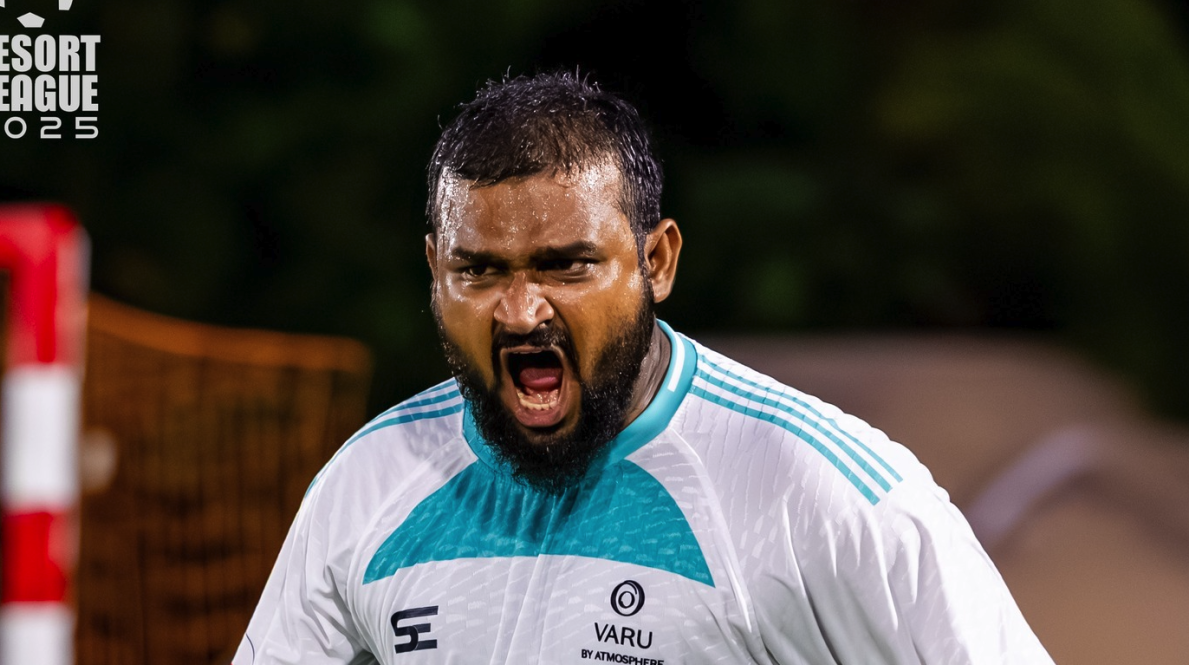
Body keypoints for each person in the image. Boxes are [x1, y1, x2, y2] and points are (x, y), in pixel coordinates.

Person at [234, 71, 1054, 664]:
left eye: (566, 266)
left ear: (656, 262)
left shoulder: (822, 494)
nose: (519, 312)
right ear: (433, 271)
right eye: (478, 272)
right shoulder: (367, 485)